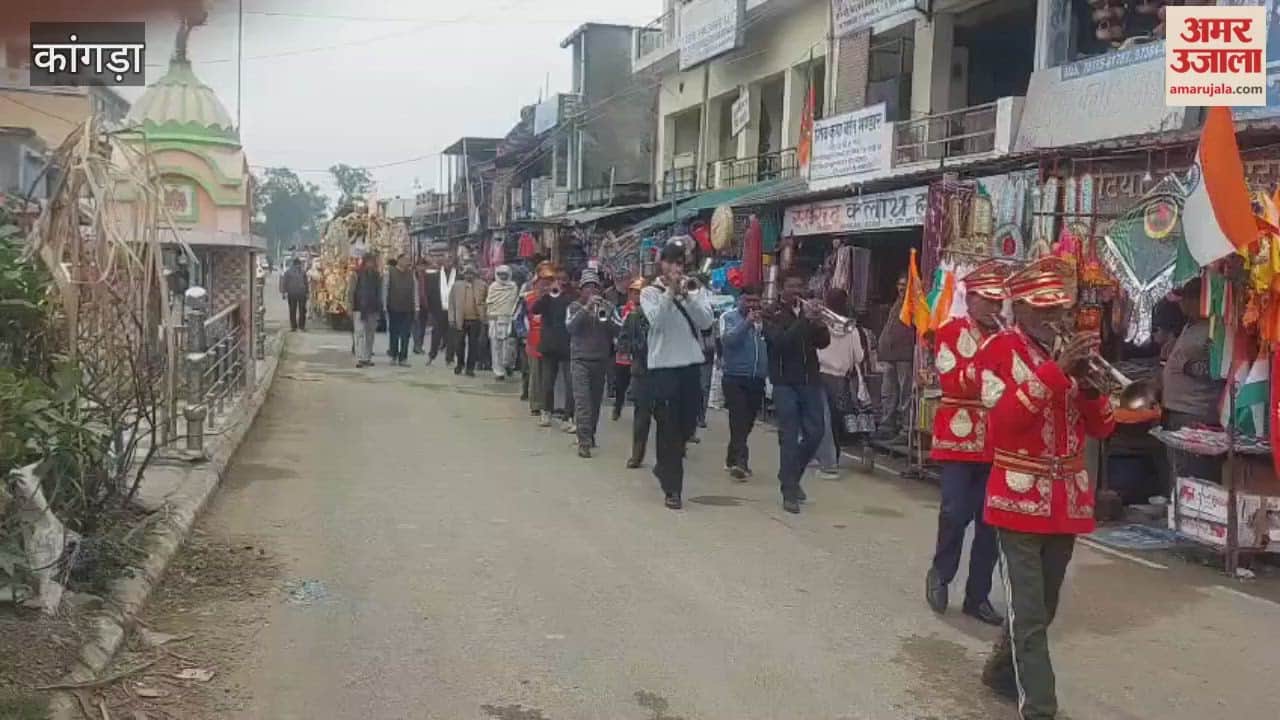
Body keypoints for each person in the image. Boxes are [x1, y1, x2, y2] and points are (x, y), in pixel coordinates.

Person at [977, 256, 1115, 719]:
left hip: (1067, 504)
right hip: (1016, 500)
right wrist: (1055, 373)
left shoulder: (1077, 361)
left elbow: (1103, 429)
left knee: (1044, 607)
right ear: (1019, 309)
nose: (1054, 320)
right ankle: (1040, 707)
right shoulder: (997, 352)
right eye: (1043, 310)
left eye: (1060, 310)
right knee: (1030, 613)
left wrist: (1092, 389)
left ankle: (1000, 670)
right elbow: (1002, 427)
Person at [924, 261, 1010, 628]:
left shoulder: (1008, 338)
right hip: (959, 437)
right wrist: (993, 358)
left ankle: (978, 595)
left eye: (998, 301)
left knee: (991, 523)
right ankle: (940, 575)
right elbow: (955, 380)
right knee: (954, 512)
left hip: (997, 440)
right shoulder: (949, 331)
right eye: (986, 300)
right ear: (970, 299)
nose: (994, 308)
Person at [640, 238, 714, 509]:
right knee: (668, 428)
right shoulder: (649, 292)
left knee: (686, 427)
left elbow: (706, 322)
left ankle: (663, 465)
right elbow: (657, 322)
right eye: (670, 262)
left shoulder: (695, 289)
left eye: (679, 263)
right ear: (662, 264)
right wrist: (669, 293)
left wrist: (685, 295)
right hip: (663, 368)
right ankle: (673, 488)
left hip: (691, 365)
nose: (675, 268)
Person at [764, 272, 831, 514]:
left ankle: (790, 475)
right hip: (784, 383)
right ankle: (789, 491)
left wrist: (820, 323)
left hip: (810, 380)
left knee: (816, 433)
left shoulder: (806, 313)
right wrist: (804, 320)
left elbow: (823, 343)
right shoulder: (771, 314)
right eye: (792, 286)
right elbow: (781, 343)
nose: (797, 291)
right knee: (789, 436)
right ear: (782, 289)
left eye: (799, 286)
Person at [1160, 277, 1223, 479]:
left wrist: (1189, 367)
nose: (1181, 305)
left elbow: (1218, 368)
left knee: (1192, 473)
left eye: (1185, 299)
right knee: (1178, 469)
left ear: (1200, 300)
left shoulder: (1214, 328)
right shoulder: (1190, 326)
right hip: (1177, 409)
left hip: (1195, 412)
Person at [717, 285, 769, 480]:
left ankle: (732, 456)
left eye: (756, 301)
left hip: (757, 379)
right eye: (748, 300)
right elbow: (728, 341)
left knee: (747, 422)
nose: (753, 305)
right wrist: (747, 323)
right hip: (734, 377)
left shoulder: (765, 320)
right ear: (739, 300)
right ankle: (741, 462)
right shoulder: (728, 317)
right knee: (738, 419)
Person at [812, 288, 864, 480]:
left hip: (819, 373)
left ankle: (826, 460)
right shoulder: (852, 328)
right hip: (840, 378)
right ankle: (833, 456)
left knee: (819, 417)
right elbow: (859, 356)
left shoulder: (820, 324)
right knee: (835, 418)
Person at [566, 268, 617, 458]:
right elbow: (570, 327)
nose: (591, 291)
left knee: (595, 402)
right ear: (581, 290)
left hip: (600, 360)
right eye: (587, 288)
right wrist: (586, 309)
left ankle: (590, 434)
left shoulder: (608, 307)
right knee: (582, 403)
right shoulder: (573, 307)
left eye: (595, 287)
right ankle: (584, 441)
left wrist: (607, 319)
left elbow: (619, 330)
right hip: (580, 360)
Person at [531, 269, 574, 429]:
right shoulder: (547, 298)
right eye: (559, 279)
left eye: (564, 280)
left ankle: (568, 416)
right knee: (548, 381)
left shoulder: (572, 298)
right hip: (549, 346)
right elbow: (535, 309)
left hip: (567, 346)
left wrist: (564, 295)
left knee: (570, 383)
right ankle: (546, 411)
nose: (561, 283)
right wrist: (547, 294)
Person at [876, 274, 916, 440]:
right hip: (891, 356)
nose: (901, 288)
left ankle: (906, 429)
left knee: (905, 393)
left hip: (904, 356)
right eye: (899, 284)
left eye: (904, 285)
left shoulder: (913, 305)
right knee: (889, 391)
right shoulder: (897, 303)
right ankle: (887, 426)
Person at [620, 280, 654, 469]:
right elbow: (623, 341)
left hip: (662, 371)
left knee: (667, 417)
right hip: (642, 371)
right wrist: (635, 349)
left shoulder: (663, 317)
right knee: (641, 417)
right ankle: (637, 454)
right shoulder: (633, 317)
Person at [611, 279, 643, 422]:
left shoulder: (649, 310)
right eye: (635, 292)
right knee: (621, 383)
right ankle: (617, 407)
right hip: (624, 353)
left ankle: (640, 411)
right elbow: (617, 326)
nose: (637, 296)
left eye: (640, 293)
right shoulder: (623, 309)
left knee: (640, 385)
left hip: (640, 352)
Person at [448, 265, 487, 376]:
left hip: (476, 320)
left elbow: (487, 301)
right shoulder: (456, 286)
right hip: (461, 320)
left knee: (473, 345)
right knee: (459, 344)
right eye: (467, 274)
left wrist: (484, 315)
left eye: (471, 274)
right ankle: (460, 364)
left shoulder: (482, 285)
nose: (469, 276)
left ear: (475, 275)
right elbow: (451, 304)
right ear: (463, 275)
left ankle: (470, 368)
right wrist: (451, 318)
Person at [348, 252, 383, 368]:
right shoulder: (356, 274)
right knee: (359, 333)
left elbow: (379, 292)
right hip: (359, 308)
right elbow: (351, 292)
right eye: (369, 261)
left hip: (373, 308)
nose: (370, 264)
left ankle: (367, 357)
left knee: (370, 334)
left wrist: (380, 308)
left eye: (372, 262)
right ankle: (360, 358)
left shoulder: (377, 275)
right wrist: (350, 306)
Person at [486, 264, 520, 380]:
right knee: (496, 347)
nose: (503, 276)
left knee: (509, 347)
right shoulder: (493, 287)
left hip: (509, 319)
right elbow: (490, 303)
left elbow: (515, 303)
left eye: (505, 274)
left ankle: (509, 365)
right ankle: (498, 372)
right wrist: (490, 320)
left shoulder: (513, 287)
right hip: (495, 319)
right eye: (500, 274)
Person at [384, 253, 418, 366]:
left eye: (408, 260)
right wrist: (384, 305)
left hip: (408, 308)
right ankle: (393, 355)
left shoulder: (411, 274)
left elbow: (415, 290)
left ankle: (403, 357)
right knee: (394, 333)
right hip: (394, 307)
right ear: (399, 260)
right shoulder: (390, 272)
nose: (407, 262)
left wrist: (416, 306)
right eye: (405, 259)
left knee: (406, 334)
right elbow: (385, 289)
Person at [424, 254, 458, 366]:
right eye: (446, 260)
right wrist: (431, 309)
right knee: (436, 334)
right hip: (438, 309)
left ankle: (450, 358)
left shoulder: (458, 276)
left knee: (452, 335)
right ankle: (431, 356)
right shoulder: (434, 276)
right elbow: (429, 293)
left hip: (454, 310)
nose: (448, 262)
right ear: (442, 261)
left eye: (450, 260)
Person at [279, 257, 309, 332]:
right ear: (296, 264)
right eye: (298, 265)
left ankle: (298, 326)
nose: (298, 266)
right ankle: (297, 326)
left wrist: (307, 292)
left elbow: (306, 283)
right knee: (296, 310)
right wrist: (284, 292)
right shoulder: (291, 272)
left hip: (297, 293)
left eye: (299, 265)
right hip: (296, 293)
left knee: (298, 310)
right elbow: (284, 283)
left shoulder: (300, 272)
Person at [412, 258, 432, 355]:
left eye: (424, 266)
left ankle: (419, 345)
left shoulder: (427, 277)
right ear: (416, 266)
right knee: (416, 326)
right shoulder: (412, 276)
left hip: (425, 304)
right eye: (420, 265)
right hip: (415, 304)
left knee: (422, 326)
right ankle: (417, 345)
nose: (422, 268)